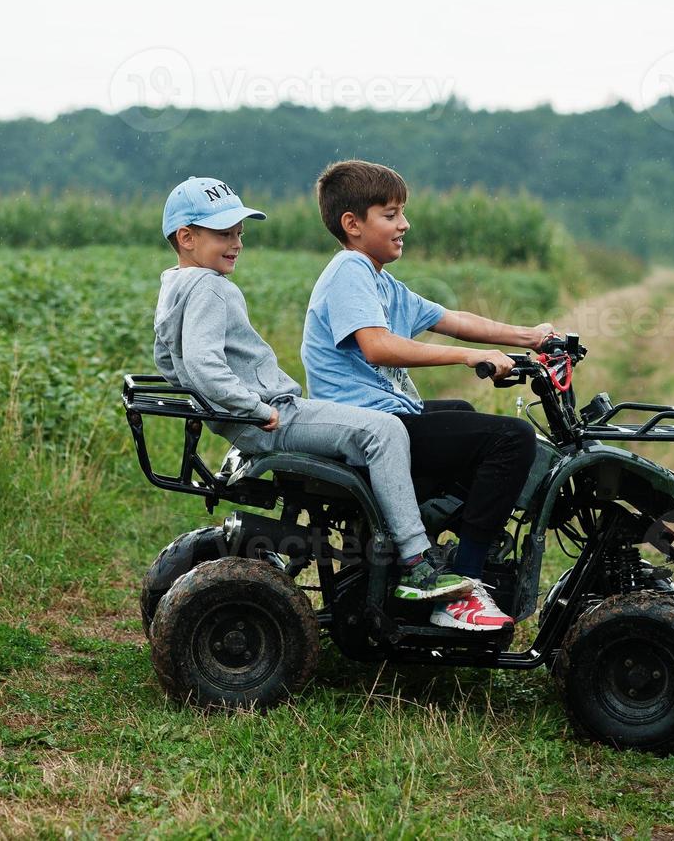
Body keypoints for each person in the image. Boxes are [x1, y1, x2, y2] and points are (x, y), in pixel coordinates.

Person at [153, 176, 472, 602]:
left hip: (249, 417)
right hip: (268, 416)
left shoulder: (173, 285)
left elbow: (167, 360)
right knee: (385, 431)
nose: (236, 243)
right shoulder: (211, 287)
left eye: (239, 233)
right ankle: (417, 561)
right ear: (186, 237)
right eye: (223, 234)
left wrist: (214, 404)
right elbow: (201, 364)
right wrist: (252, 407)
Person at [302, 159, 556, 632]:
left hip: (382, 415)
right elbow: (376, 346)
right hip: (366, 426)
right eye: (391, 214)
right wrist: (464, 359)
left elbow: (452, 319)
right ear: (352, 225)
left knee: (460, 413)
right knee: (512, 438)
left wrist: (530, 337)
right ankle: (464, 583)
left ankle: (434, 549)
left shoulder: (378, 278)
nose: (405, 224)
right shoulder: (349, 270)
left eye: (403, 213)